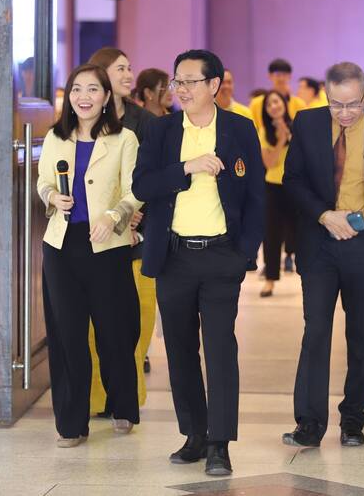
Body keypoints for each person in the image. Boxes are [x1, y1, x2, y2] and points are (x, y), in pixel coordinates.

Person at [132, 49, 264, 476]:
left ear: (214, 85)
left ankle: (220, 443)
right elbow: (143, 185)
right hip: (173, 257)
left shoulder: (240, 129)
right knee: (181, 349)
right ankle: (194, 433)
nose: (181, 89)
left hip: (222, 256)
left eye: (191, 81)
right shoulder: (162, 130)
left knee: (221, 348)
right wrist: (185, 168)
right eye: (177, 81)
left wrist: (245, 251)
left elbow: (257, 196)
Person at [281, 62, 364, 448]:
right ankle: (309, 422)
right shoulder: (307, 123)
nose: (346, 113)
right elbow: (292, 180)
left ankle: (353, 420)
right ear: (326, 96)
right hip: (320, 241)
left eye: (353, 104)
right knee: (316, 331)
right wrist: (324, 215)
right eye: (337, 105)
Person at [37, 63, 141, 447]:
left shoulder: (124, 139)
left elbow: (134, 191)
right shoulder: (55, 137)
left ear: (106, 97)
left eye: (93, 89)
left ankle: (124, 407)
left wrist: (115, 215)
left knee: (114, 331)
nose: (84, 97)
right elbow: (43, 181)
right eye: (77, 89)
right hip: (62, 246)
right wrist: (51, 196)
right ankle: (70, 424)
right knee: (67, 335)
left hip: (106, 247)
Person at [88, 47, 158, 418]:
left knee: (138, 317)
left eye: (130, 67)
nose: (130, 74)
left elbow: (150, 176)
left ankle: (127, 399)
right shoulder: (83, 118)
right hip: (96, 234)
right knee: (96, 324)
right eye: (121, 68)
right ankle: (97, 397)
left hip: (136, 233)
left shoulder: (143, 121)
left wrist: (135, 216)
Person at [257, 91, 296, 297]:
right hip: (273, 187)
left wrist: (288, 133)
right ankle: (270, 279)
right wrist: (281, 139)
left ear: (284, 104)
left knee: (300, 232)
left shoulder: (298, 125)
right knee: (271, 235)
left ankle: (307, 275)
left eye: (276, 101)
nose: (273, 105)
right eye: (269, 103)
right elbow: (269, 163)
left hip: (296, 187)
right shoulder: (264, 132)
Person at [89, 47, 156, 142]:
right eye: (121, 69)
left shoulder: (146, 121)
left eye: (129, 69)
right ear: (101, 73)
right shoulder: (84, 116)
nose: (130, 76)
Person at [249, 58, 307, 128]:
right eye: (278, 75)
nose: (281, 78)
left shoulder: (299, 104)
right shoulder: (256, 103)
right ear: (270, 76)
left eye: (284, 74)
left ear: (290, 76)